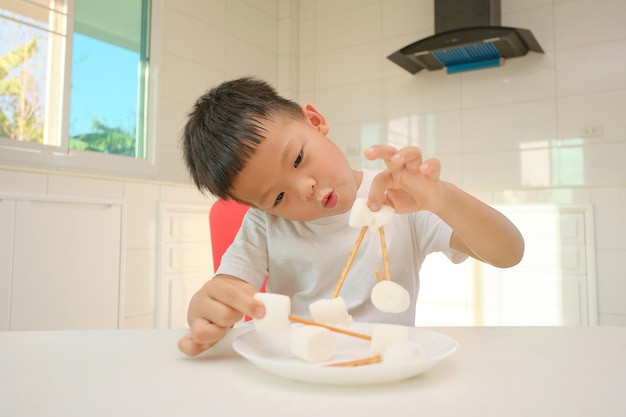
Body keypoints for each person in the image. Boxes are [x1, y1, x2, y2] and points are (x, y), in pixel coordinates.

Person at [178, 76, 524, 356]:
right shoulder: (265, 224)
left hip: (386, 367)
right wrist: (205, 310)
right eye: (279, 197)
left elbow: (509, 253)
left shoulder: (400, 198)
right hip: (303, 366)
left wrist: (443, 199)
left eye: (298, 159)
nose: (305, 188)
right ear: (260, 207)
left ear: (314, 122)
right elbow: (226, 288)